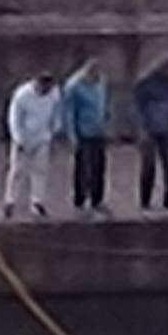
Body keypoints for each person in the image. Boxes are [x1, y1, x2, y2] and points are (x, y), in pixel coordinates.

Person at [132, 57, 168, 213]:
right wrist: (142, 128)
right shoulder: (146, 83)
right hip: (150, 130)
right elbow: (138, 107)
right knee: (148, 166)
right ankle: (145, 200)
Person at [3, 69, 61, 219]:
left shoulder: (54, 94)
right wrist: (18, 139)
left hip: (42, 137)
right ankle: (10, 200)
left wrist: (54, 130)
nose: (45, 91)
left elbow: (56, 112)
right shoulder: (22, 95)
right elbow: (14, 118)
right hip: (24, 137)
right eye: (43, 87)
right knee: (17, 171)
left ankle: (37, 201)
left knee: (40, 170)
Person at [61, 60, 111, 217]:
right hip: (83, 132)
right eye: (94, 74)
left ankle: (97, 198)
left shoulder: (101, 82)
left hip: (99, 131)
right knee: (83, 167)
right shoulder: (74, 86)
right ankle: (80, 198)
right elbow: (68, 112)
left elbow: (104, 103)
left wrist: (107, 121)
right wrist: (71, 135)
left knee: (100, 166)